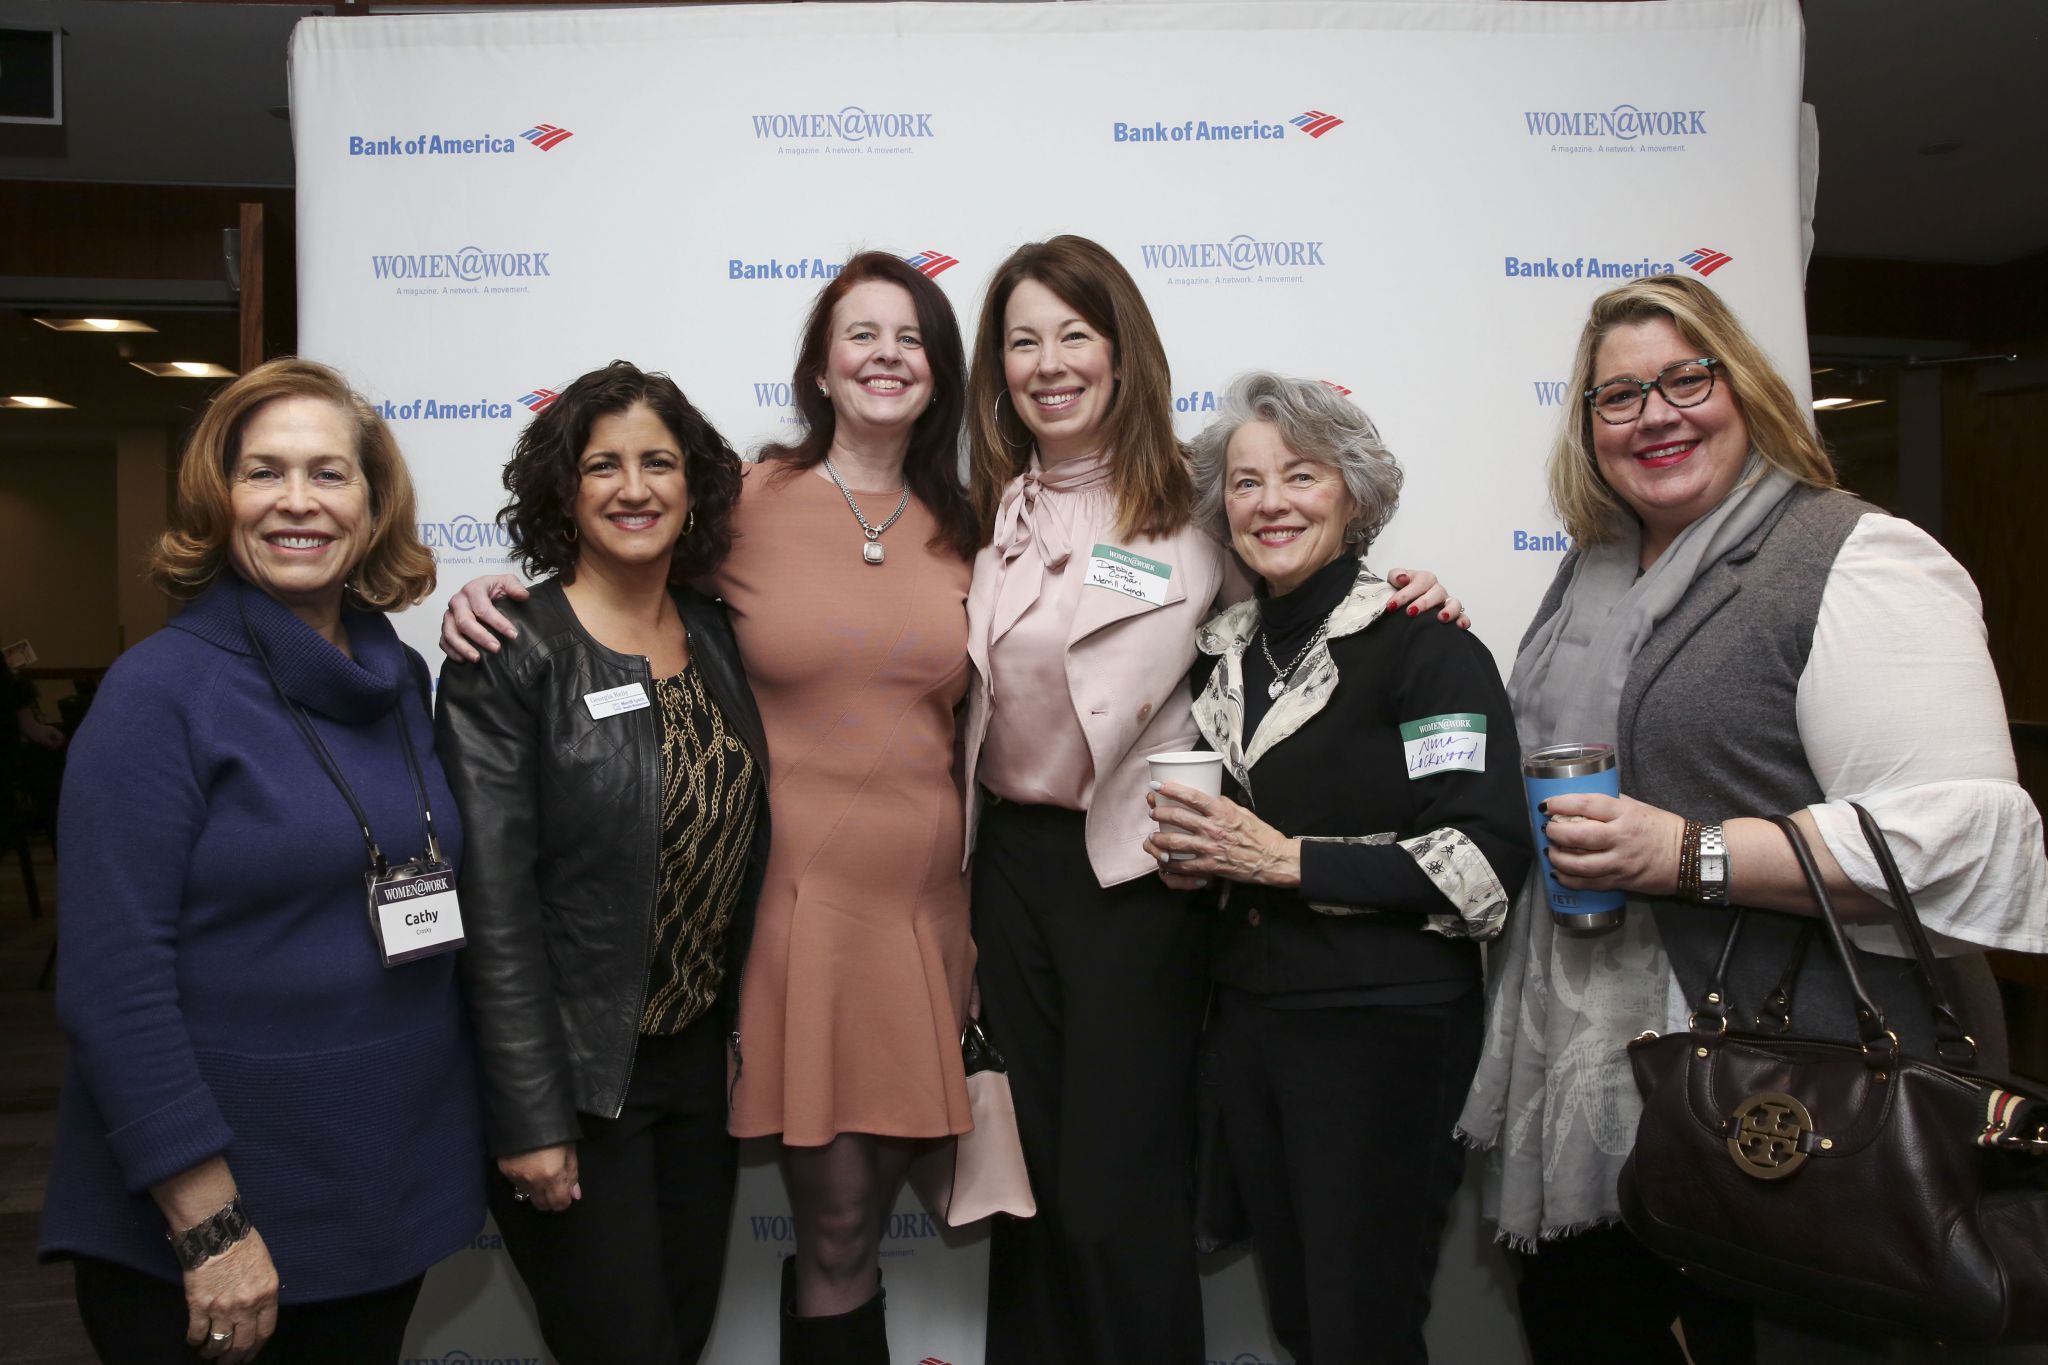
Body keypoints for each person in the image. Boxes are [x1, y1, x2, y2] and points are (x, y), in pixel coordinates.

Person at [1453, 274, 2048, 1364]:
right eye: (1617, 396)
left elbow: (1948, 842)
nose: (1656, 414)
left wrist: (1686, 854)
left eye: (1688, 377)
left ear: (1748, 389)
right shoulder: (1589, 571)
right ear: (1586, 427)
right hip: (1598, 1068)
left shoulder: (1854, 558)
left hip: (1792, 1100)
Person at [440, 252, 982, 1362]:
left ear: (941, 370)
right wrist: (487, 591)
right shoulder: (755, 509)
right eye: (859, 334)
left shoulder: (977, 524)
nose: (884, 356)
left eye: (910, 336)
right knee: (776, 1257)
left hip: (911, 930)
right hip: (778, 939)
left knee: (707, 1301)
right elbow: (608, 579)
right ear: (818, 368)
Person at [959, 237, 1467, 1364]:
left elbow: (1307, 595)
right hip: (1007, 877)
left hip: (1140, 882)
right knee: (1030, 1189)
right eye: (1022, 340)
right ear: (996, 369)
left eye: (1074, 334)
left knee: (1114, 1192)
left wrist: (1404, 587)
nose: (1049, 363)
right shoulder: (980, 515)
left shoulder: (1193, 507)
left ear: (1120, 350)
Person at [38, 358, 484, 1364]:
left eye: (329, 474)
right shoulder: (158, 696)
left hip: (375, 1188)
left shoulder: (393, 673)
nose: (297, 503)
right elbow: (114, 989)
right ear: (218, 498)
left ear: (372, 506)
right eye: (263, 473)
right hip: (220, 1216)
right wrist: (211, 1226)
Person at [1144, 372, 1531, 1364]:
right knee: (1301, 1321)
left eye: (1299, 475)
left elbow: (1483, 863)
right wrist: (1210, 866)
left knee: (1361, 1326)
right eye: (1243, 482)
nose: (1268, 502)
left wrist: (1287, 861)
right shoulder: (1222, 654)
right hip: (1252, 1033)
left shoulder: (1425, 652)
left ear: (1352, 496)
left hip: (1383, 1040)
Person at [434, 361, 768, 1365]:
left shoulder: (713, 632)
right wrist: (531, 1116)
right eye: (603, 465)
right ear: (562, 491)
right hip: (578, 1083)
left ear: (694, 486)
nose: (634, 487)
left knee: (682, 1329)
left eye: (658, 462)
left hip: (695, 1076)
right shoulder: (510, 651)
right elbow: (490, 913)